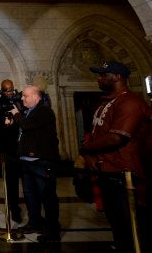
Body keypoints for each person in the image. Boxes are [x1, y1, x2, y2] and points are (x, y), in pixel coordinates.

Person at [79, 61, 148, 252]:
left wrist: (85, 149)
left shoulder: (130, 102)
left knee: (131, 221)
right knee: (116, 219)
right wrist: (91, 156)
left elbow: (116, 137)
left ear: (118, 76)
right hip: (107, 170)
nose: (99, 79)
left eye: (103, 75)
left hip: (125, 172)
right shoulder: (106, 102)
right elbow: (97, 135)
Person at [9, 85, 60, 242]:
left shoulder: (44, 111)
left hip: (41, 161)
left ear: (36, 97)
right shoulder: (29, 112)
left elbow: (26, 125)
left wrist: (16, 115)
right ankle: (34, 222)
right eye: (22, 96)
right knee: (30, 195)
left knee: (47, 196)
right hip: (27, 161)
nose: (22, 98)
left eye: (25, 96)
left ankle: (52, 231)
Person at [0, 80, 23, 224]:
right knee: (11, 180)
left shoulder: (19, 102)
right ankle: (14, 209)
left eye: (12, 90)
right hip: (7, 147)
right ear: (1, 91)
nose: (10, 93)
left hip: (23, 146)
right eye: (7, 90)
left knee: (26, 180)